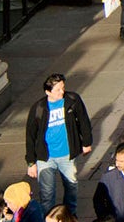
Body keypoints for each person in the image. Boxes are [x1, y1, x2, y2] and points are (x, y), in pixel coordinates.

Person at [25, 73, 94, 214]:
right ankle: (48, 220)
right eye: (57, 90)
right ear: (48, 92)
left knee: (71, 187)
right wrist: (31, 162)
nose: (62, 92)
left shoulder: (72, 100)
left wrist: (86, 142)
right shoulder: (38, 108)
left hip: (67, 154)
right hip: (46, 157)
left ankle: (70, 216)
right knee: (47, 193)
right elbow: (30, 136)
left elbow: (83, 121)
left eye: (63, 88)